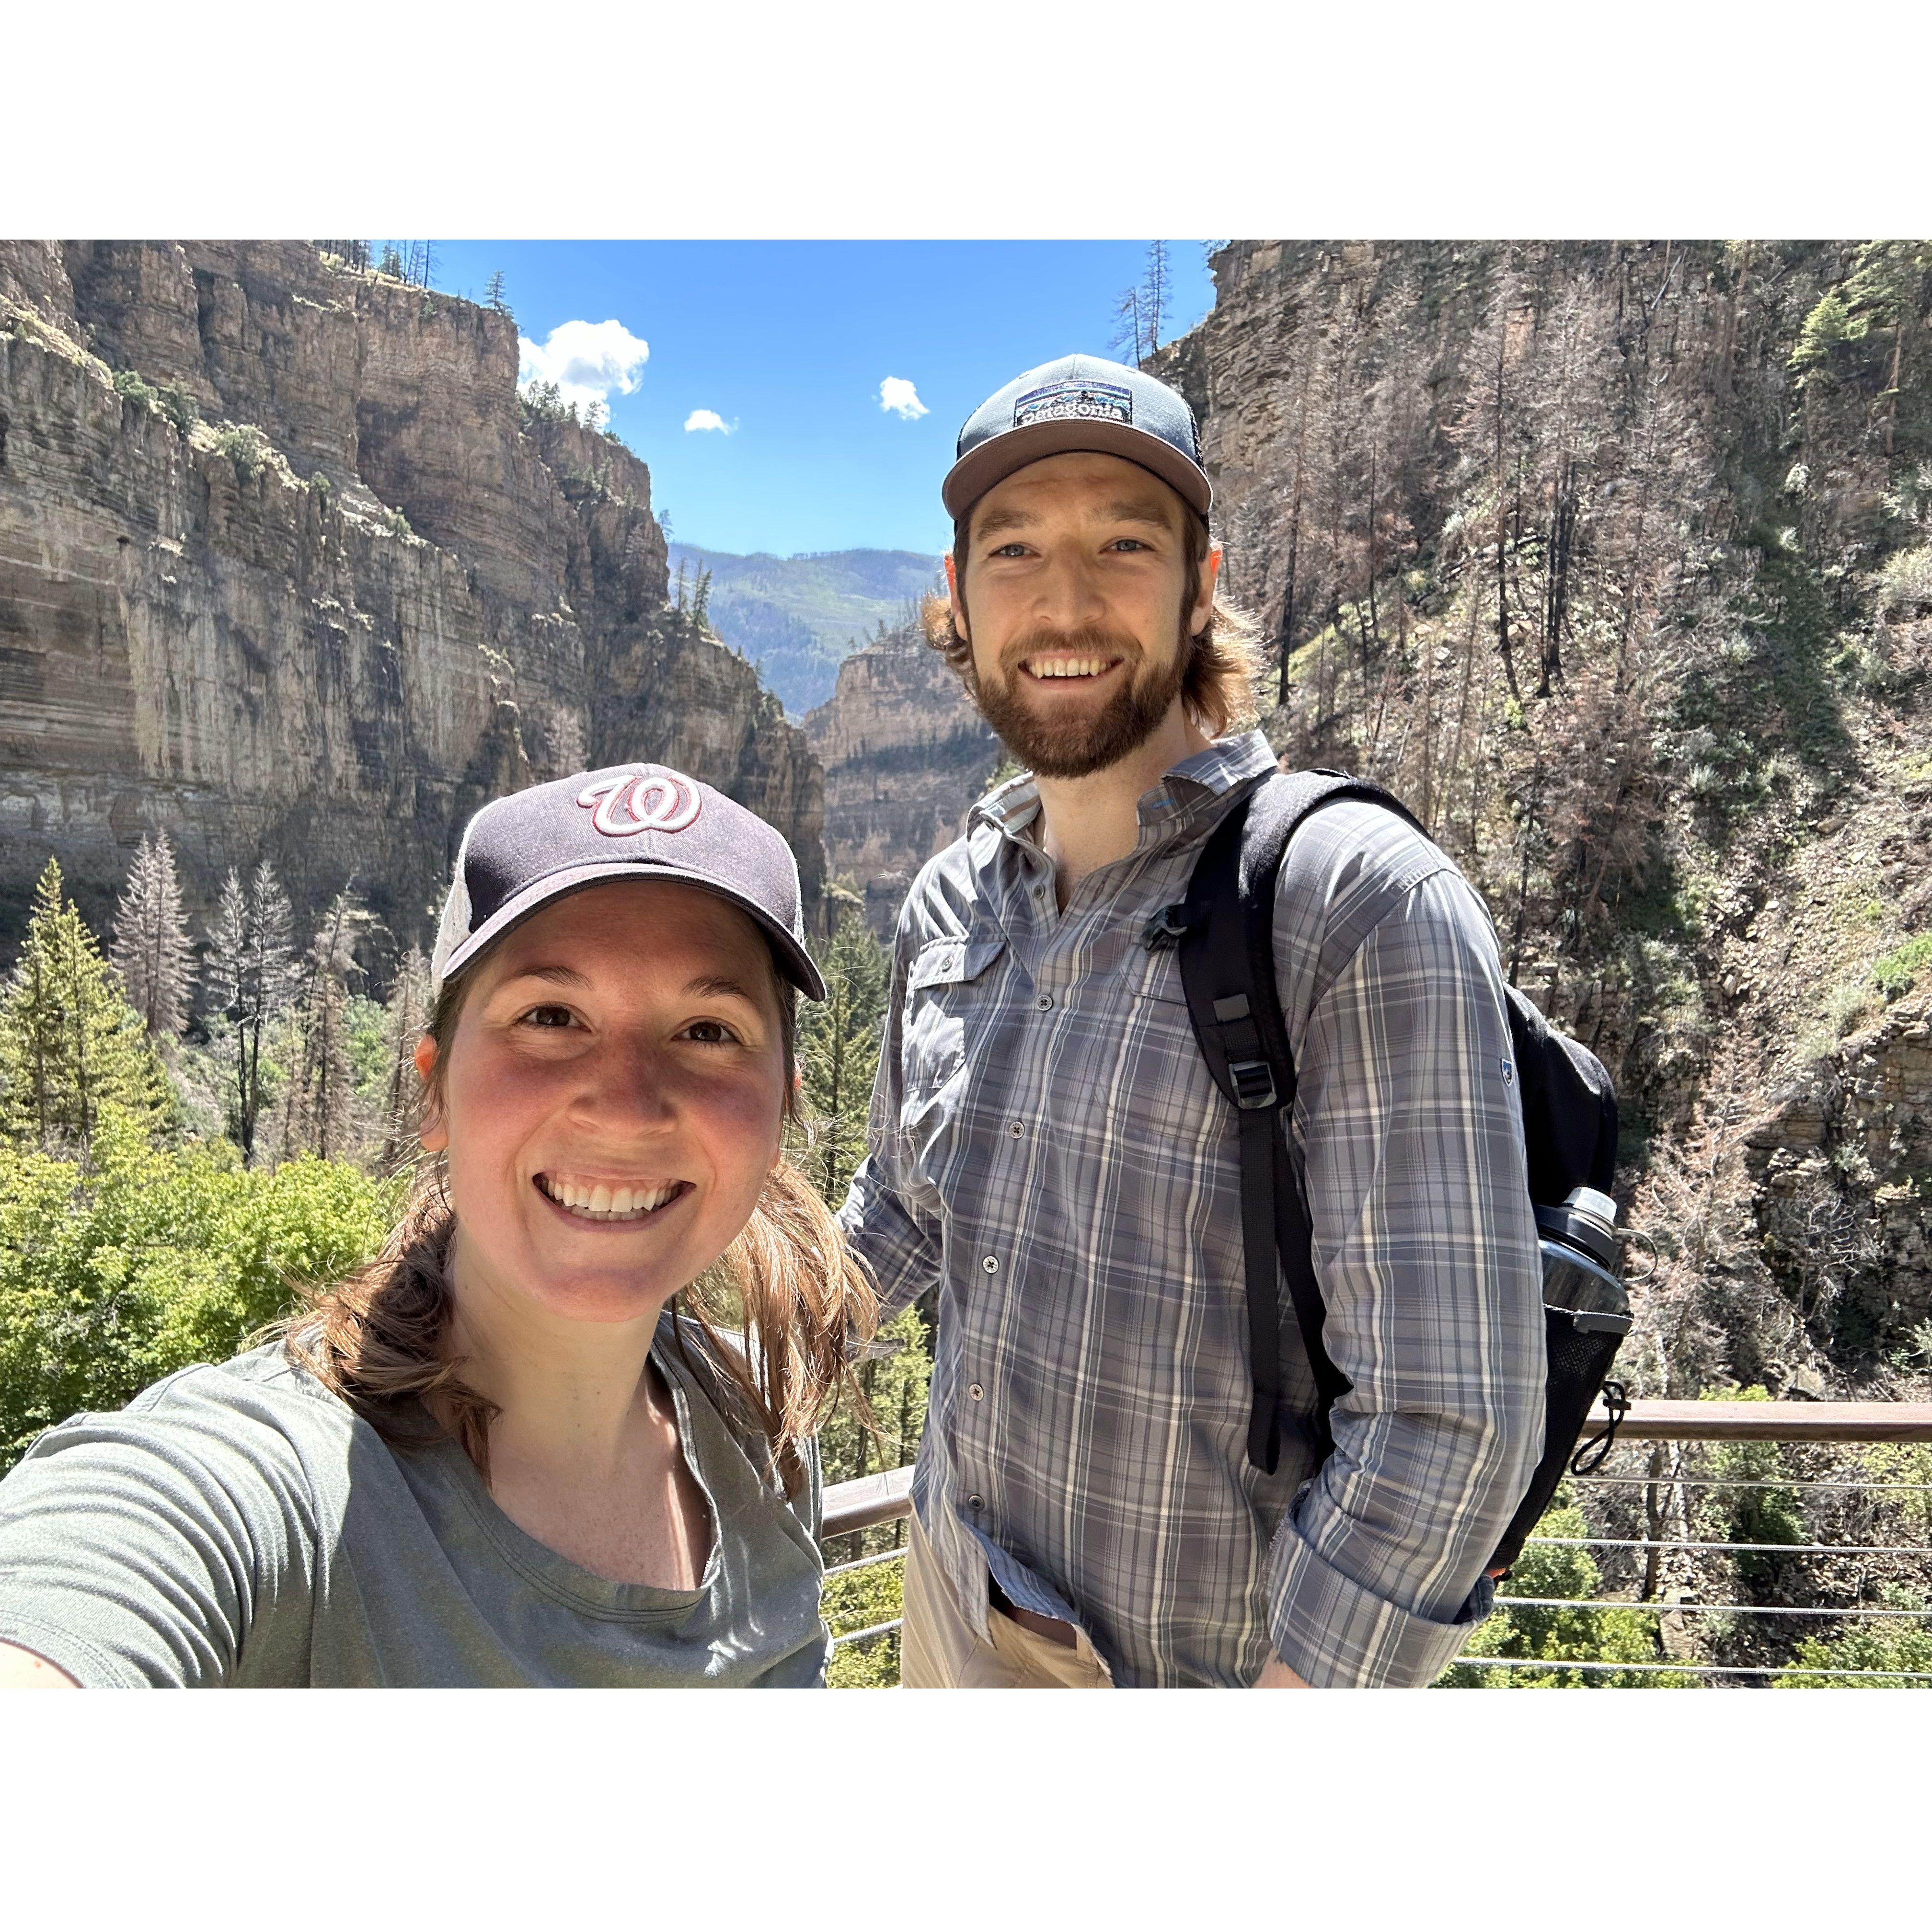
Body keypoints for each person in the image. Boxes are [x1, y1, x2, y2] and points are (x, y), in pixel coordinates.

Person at [842, 354, 1548, 1689]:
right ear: (954, 600)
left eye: (1122, 543)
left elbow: (1451, 1416)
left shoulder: (1352, 903)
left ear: (1200, 582)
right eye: (1013, 551)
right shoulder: (953, 899)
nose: (1063, 601)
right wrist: (641, 1338)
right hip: (948, 1593)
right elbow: (897, 1215)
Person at [0, 764, 875, 1687]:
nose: (626, 1108)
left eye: (706, 1030)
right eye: (551, 1015)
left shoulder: (759, 1420)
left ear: (781, 1108)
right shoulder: (268, 1493)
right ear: (435, 1089)